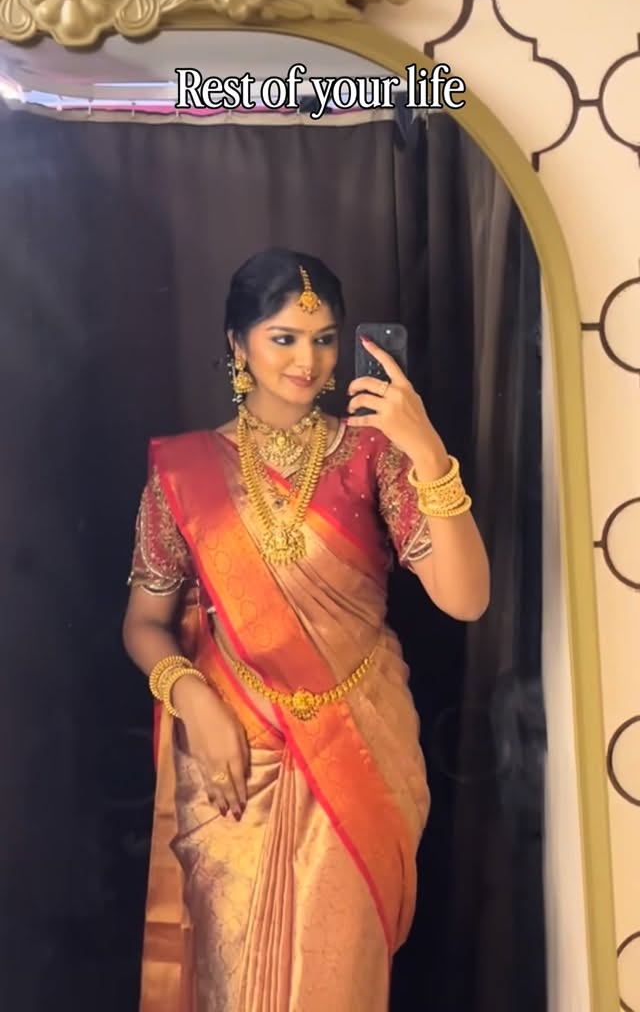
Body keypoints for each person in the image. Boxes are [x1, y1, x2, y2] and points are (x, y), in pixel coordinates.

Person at [122, 247, 490, 1012]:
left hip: (360, 751)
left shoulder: (373, 455)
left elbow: (466, 599)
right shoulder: (183, 474)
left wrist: (426, 448)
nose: (308, 360)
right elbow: (146, 624)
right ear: (238, 344)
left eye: (324, 339)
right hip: (233, 766)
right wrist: (194, 702)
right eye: (284, 337)